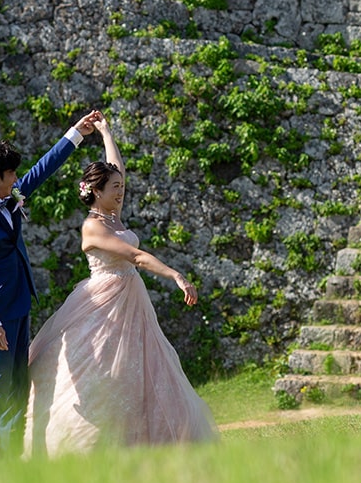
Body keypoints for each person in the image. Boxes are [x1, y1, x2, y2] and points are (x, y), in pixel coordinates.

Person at [22, 115, 218, 458]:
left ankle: (151, 441)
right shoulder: (93, 227)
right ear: (96, 193)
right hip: (103, 305)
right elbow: (136, 256)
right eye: (115, 189)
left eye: (121, 188)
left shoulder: (113, 213)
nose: (121, 191)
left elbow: (117, 169)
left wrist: (105, 132)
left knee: (145, 366)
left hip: (131, 302)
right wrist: (175, 275)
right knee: (101, 371)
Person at [0, 110, 103, 465]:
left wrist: (75, 134)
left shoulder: (11, 194)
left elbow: (41, 170)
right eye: (11, 173)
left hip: (19, 302)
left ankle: (9, 462)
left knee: (17, 389)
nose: (18, 178)